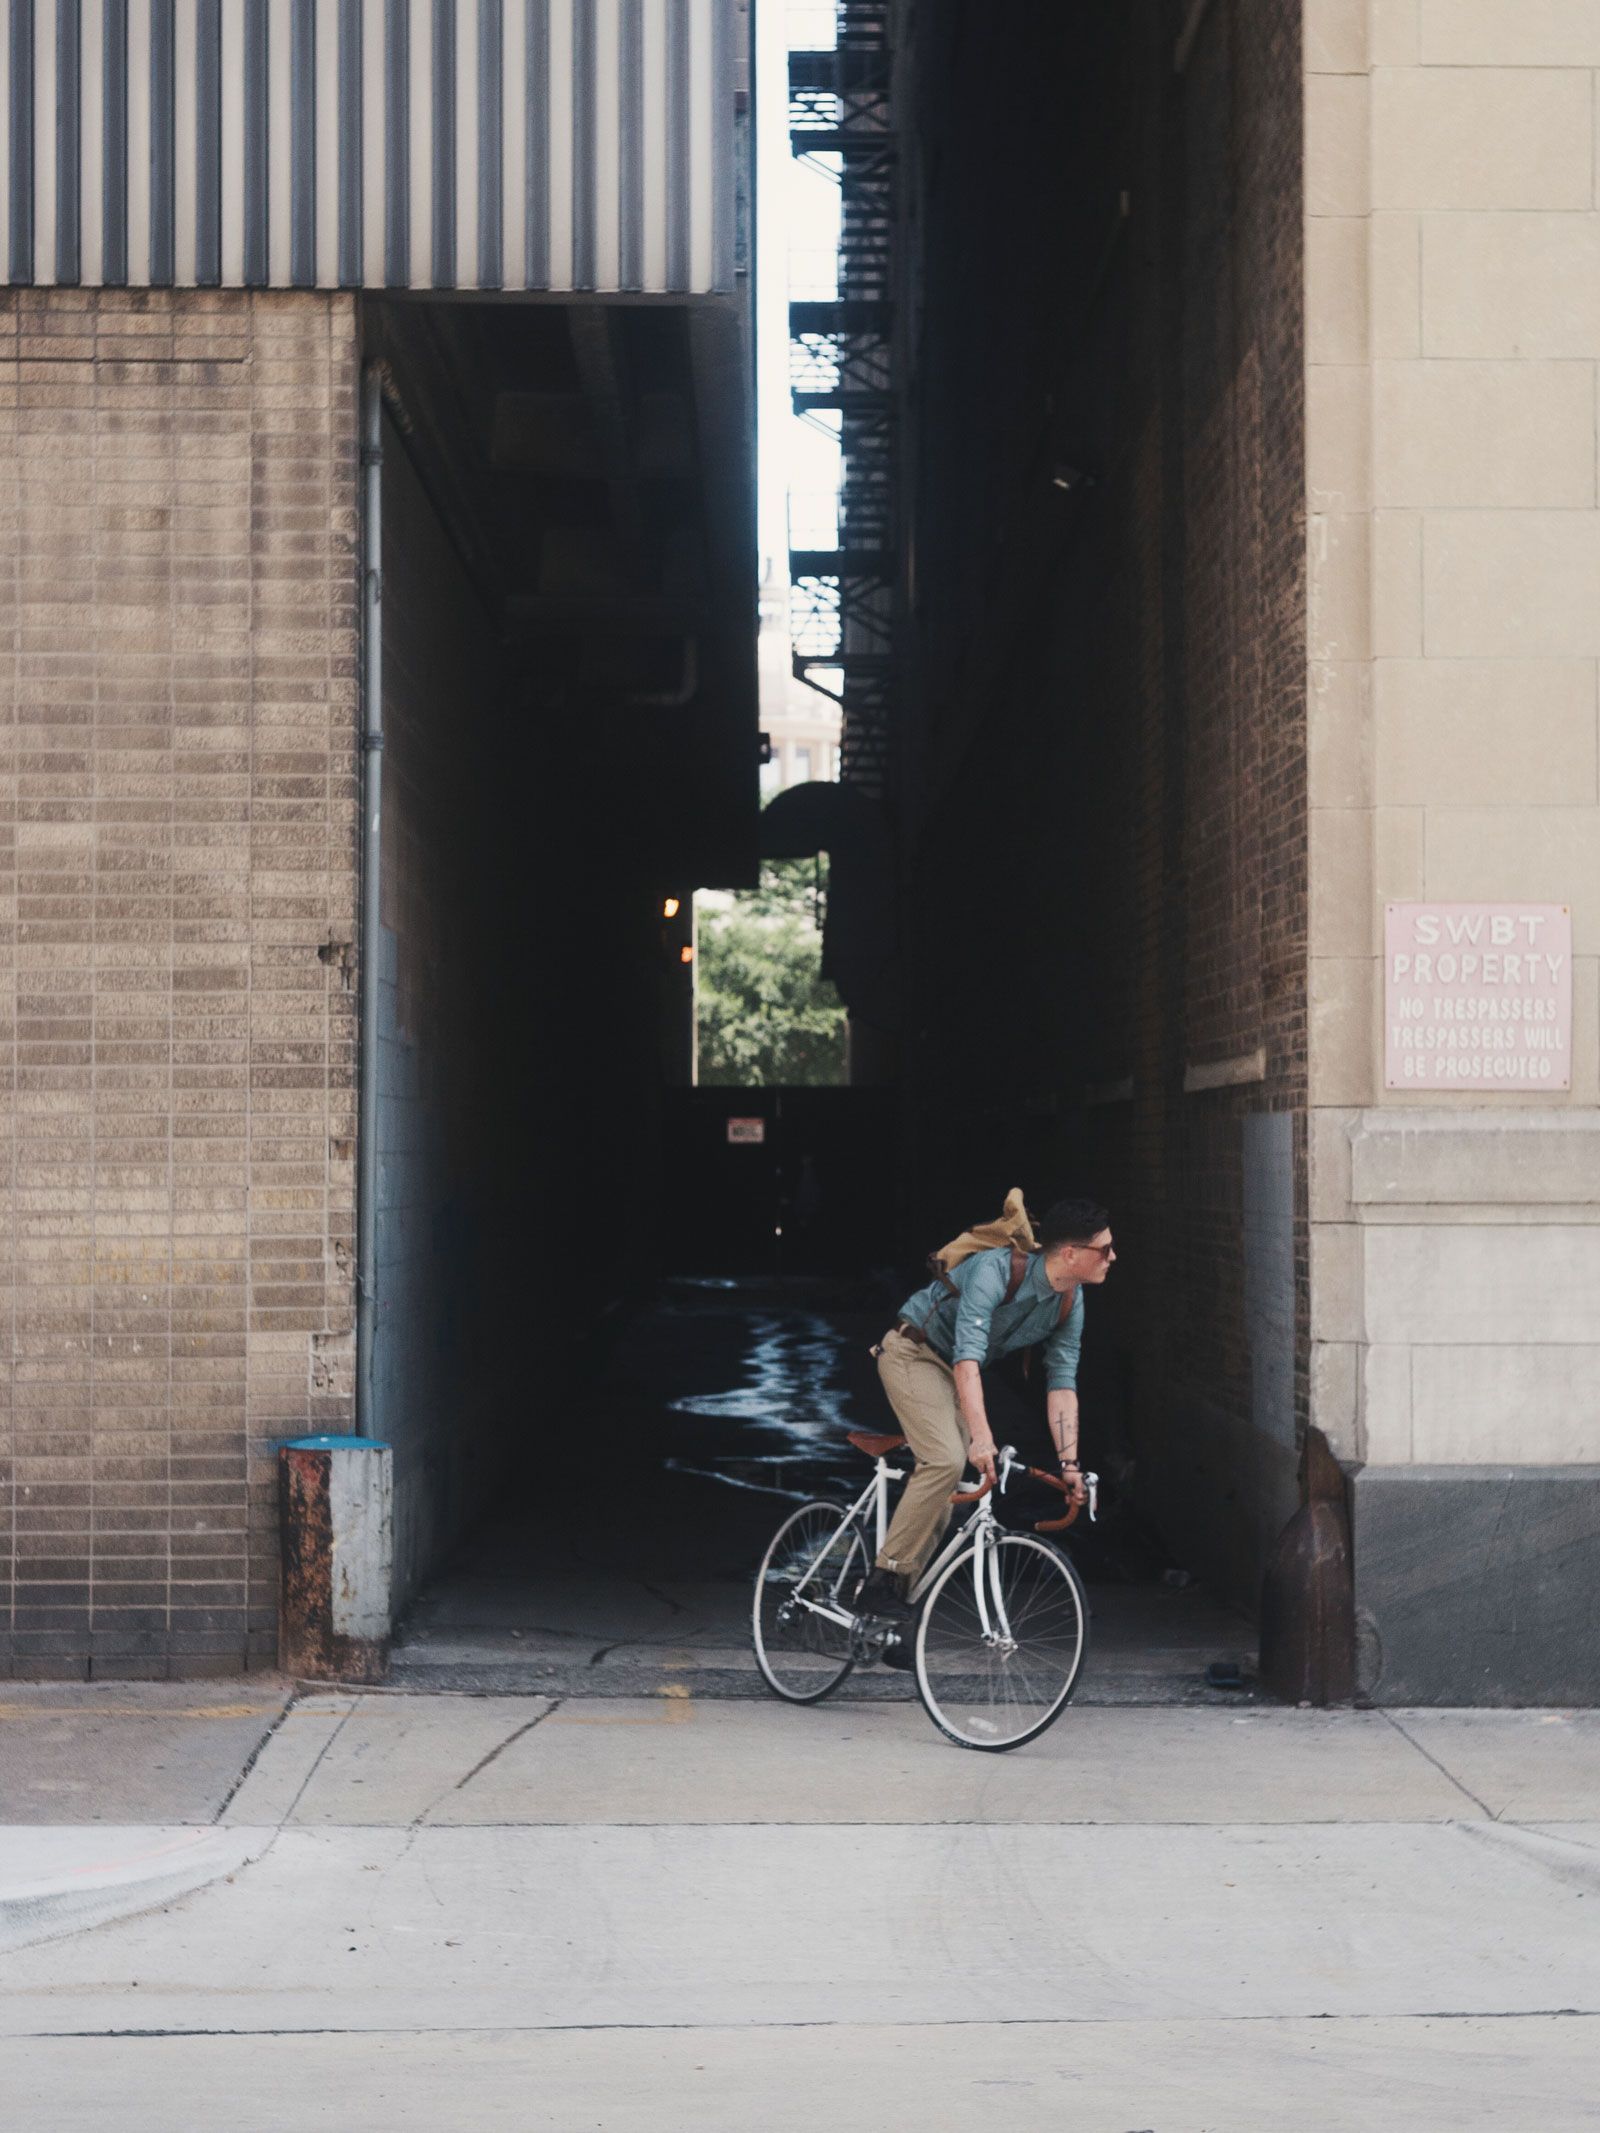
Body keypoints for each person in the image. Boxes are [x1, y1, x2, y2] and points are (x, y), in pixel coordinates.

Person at [855, 1197, 1115, 1625]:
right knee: (946, 1459)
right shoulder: (995, 1271)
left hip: (951, 1371)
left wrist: (1069, 1463)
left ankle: (894, 1616)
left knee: (948, 1480)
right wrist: (981, 1436)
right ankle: (883, 1580)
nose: (1112, 1257)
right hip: (912, 1353)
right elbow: (967, 1361)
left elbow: (1062, 1384)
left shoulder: (1070, 1299)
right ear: (1070, 1253)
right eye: (1104, 1249)